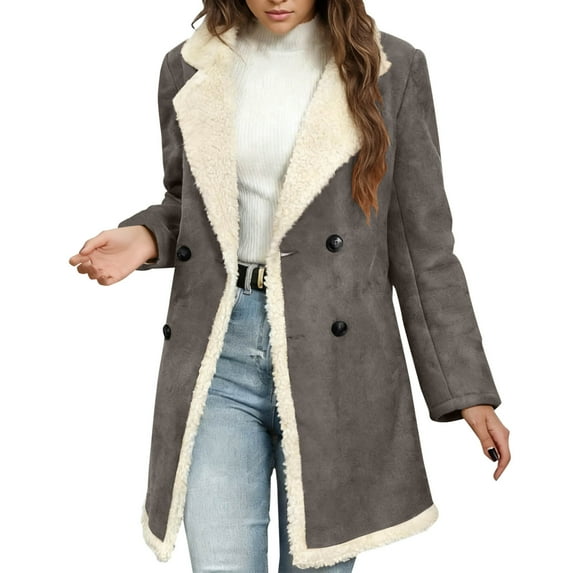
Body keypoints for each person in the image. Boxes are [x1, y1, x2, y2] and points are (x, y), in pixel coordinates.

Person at [69, 0, 511, 571]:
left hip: (336, 367)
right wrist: (146, 237)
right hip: (219, 351)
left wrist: (467, 389)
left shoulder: (390, 68)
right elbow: (194, 205)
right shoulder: (192, 65)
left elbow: (422, 247)